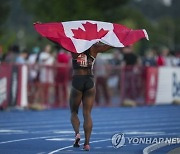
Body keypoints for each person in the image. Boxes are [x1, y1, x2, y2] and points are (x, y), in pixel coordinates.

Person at [70, 42, 112, 151]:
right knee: (87, 113)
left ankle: (77, 134)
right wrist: (122, 39)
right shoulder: (94, 49)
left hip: (77, 81)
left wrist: (46, 34)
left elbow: (59, 41)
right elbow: (110, 46)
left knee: (74, 112)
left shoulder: (74, 48)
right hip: (89, 81)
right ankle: (87, 144)